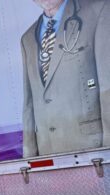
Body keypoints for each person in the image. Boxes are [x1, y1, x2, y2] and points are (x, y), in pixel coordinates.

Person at [21, 0, 110, 157]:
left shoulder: (98, 11)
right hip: (49, 156)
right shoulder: (27, 39)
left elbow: (107, 88)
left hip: (93, 152)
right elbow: (29, 103)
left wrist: (108, 152)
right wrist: (30, 159)